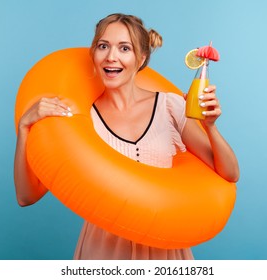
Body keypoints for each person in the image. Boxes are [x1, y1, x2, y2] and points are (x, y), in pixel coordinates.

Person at [14, 13, 239, 260]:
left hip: (164, 252)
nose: (112, 56)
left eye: (124, 48)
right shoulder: (78, 120)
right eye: (103, 46)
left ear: (141, 58)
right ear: (93, 54)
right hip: (102, 254)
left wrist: (210, 127)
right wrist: (25, 129)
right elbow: (26, 197)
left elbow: (230, 173)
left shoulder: (170, 106)